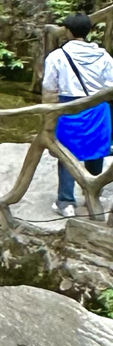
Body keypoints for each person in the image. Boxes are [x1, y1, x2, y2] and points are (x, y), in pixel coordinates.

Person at [43, 11, 113, 214]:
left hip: (69, 108)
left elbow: (49, 85)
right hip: (98, 108)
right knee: (97, 150)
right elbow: (110, 84)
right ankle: (93, 194)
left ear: (68, 32)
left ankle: (66, 202)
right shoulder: (103, 55)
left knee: (67, 154)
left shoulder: (57, 56)